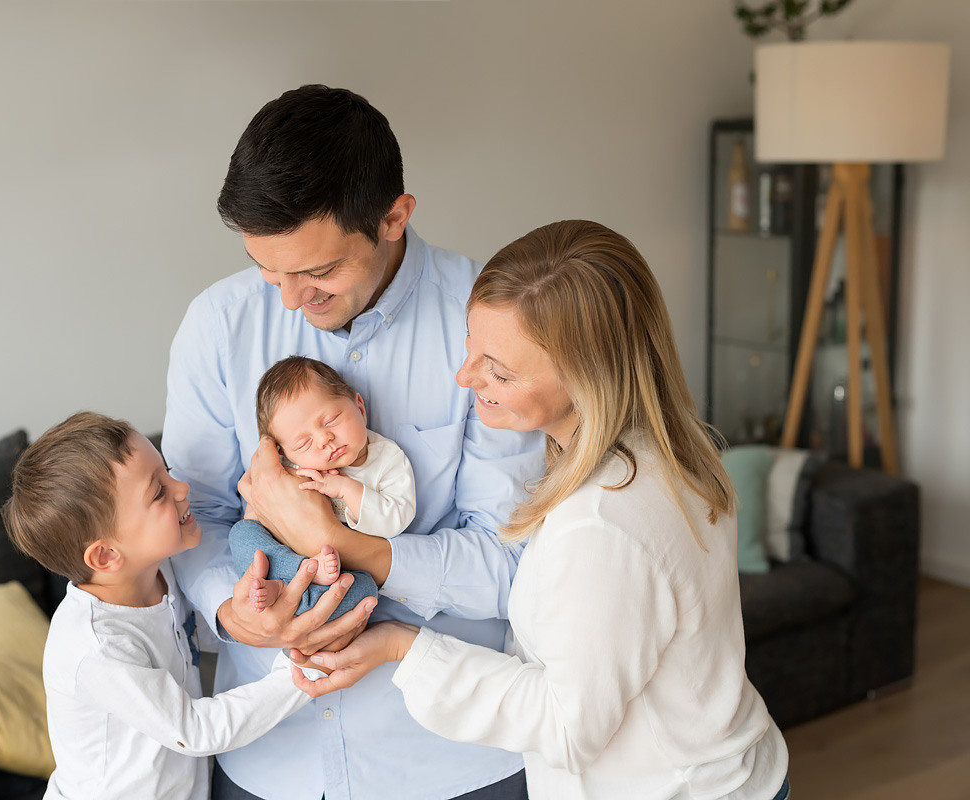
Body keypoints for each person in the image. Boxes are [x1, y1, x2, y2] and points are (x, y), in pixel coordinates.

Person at [291, 220, 792, 800]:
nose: (465, 377)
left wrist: (404, 647)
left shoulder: (604, 525)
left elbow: (567, 722)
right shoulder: (678, 445)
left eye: (499, 371)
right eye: (471, 348)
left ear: (588, 377)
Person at [164, 84, 545, 800]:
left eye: (318, 273)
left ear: (395, 217)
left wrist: (359, 548)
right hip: (270, 756)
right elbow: (198, 519)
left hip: (451, 755)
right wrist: (229, 611)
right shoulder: (218, 327)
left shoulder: (486, 324)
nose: (288, 303)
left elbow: (509, 563)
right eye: (268, 270)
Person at [0, 411, 327, 800]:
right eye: (158, 492)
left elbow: (198, 635)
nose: (182, 487)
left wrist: (257, 606)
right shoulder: (98, 647)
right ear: (105, 557)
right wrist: (301, 672)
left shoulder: (159, 575)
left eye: (167, 471)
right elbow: (196, 731)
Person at [230, 355, 415, 619]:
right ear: (283, 452)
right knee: (242, 535)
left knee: (364, 589)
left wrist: (346, 489)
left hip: (339, 575)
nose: (324, 439)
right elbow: (259, 507)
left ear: (359, 408)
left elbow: (396, 519)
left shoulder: (387, 460)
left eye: (330, 420)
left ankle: (291, 589)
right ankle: (283, 582)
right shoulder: (288, 469)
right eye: (304, 443)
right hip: (280, 567)